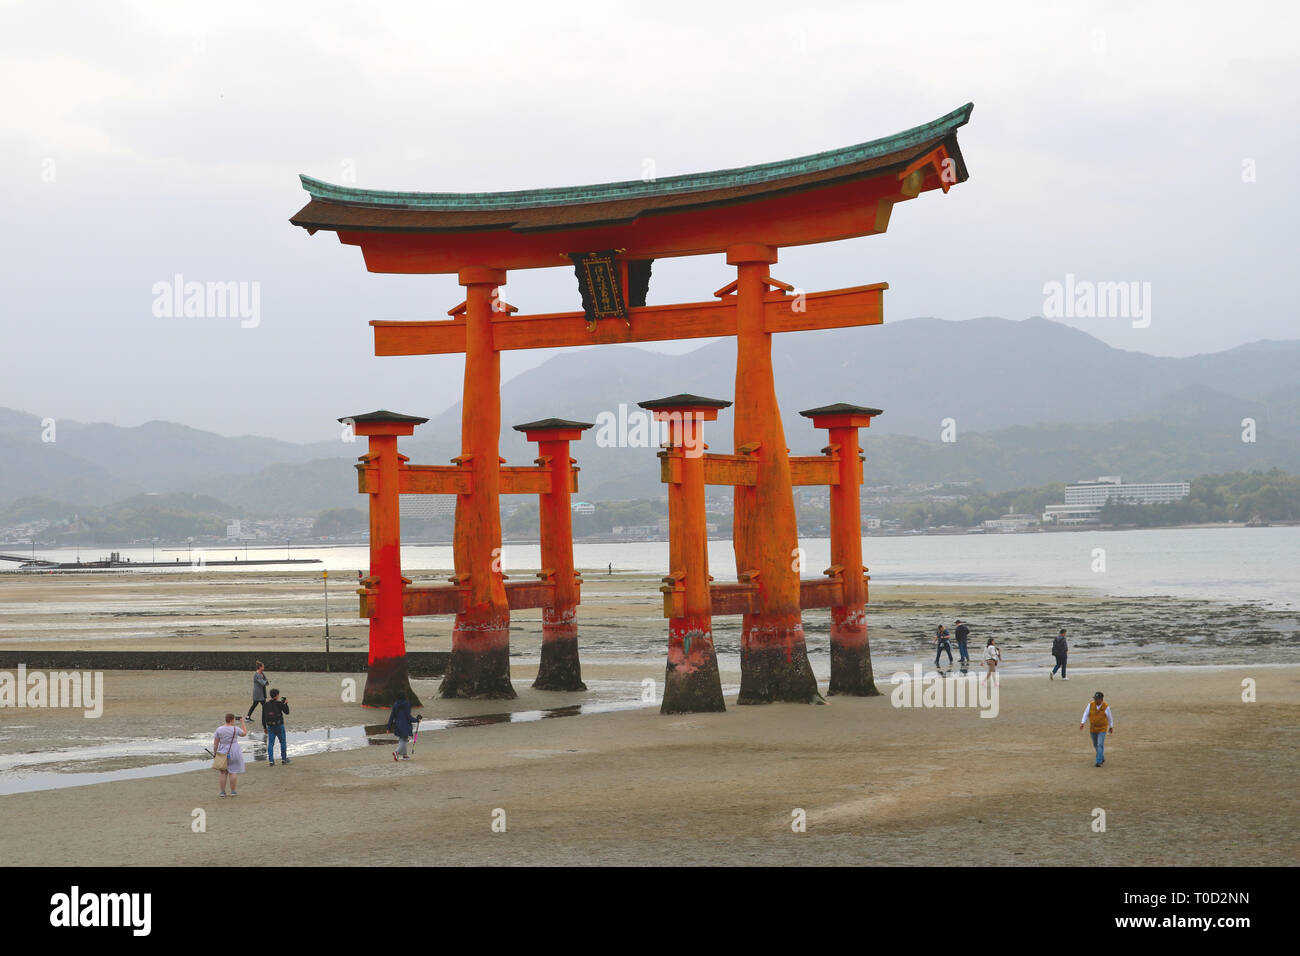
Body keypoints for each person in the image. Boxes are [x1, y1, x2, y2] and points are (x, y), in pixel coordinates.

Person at [214, 713, 248, 797]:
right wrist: (242, 722)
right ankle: (233, 791)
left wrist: (215, 753)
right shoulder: (235, 729)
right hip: (234, 749)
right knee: (233, 772)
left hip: (222, 750)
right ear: (232, 720)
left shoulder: (219, 729)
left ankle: (222, 792)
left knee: (223, 772)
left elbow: (215, 743)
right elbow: (244, 733)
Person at [1080, 691, 1115, 766]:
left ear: (1101, 699)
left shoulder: (1106, 707)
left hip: (1102, 729)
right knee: (1095, 745)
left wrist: (1111, 726)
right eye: (1095, 698)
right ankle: (1101, 757)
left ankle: (1098, 762)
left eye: (1097, 699)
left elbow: (1110, 717)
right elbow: (1085, 713)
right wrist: (1083, 722)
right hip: (1092, 729)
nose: (1095, 700)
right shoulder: (1090, 705)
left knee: (1100, 744)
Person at [263, 688, 291, 766]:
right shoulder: (279, 703)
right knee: (282, 742)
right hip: (279, 725)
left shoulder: (265, 704)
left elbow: (263, 716)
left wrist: (264, 727)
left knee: (271, 744)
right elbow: (287, 712)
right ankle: (284, 759)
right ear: (277, 695)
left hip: (270, 726)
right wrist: (285, 704)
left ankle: (271, 761)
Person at [387, 690, 414, 761]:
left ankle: (404, 755)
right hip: (405, 725)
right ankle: (396, 752)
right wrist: (416, 720)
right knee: (404, 739)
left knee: (402, 739)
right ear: (404, 696)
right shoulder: (407, 704)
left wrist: (388, 727)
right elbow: (408, 716)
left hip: (397, 724)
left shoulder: (395, 704)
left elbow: (392, 716)